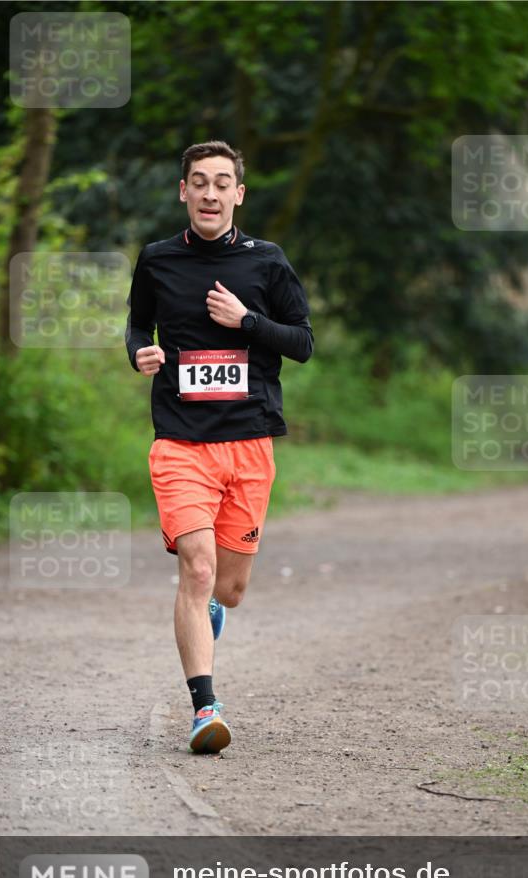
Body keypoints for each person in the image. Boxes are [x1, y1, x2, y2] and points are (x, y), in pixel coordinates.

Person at [124, 140, 314, 754]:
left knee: (227, 589)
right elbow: (136, 323)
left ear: (239, 194)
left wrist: (247, 323)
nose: (210, 193)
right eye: (198, 182)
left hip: (249, 444)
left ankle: (211, 613)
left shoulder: (267, 261)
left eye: (221, 182)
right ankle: (205, 709)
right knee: (197, 568)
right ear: (184, 192)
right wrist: (139, 352)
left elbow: (303, 342)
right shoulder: (156, 260)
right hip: (180, 443)